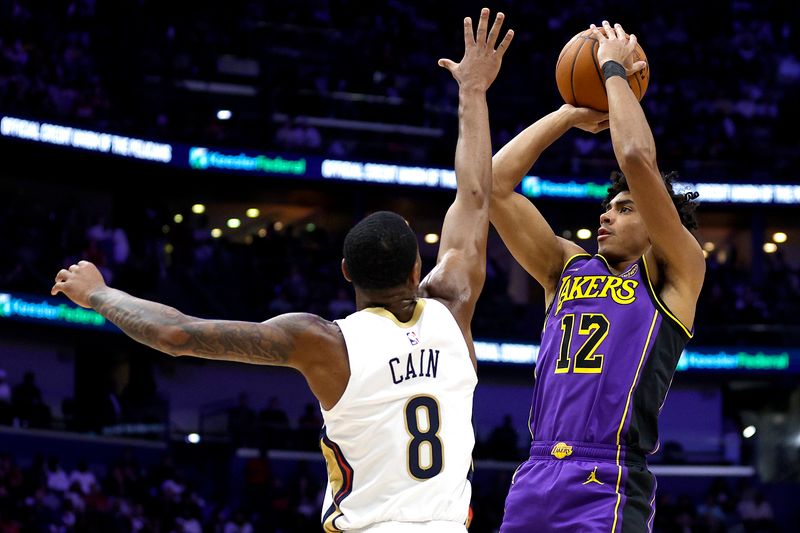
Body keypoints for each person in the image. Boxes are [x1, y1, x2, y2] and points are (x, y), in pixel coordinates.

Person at [51, 8, 514, 532]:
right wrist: (473, 91)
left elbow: (175, 334)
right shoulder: (454, 306)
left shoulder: (321, 342)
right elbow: (474, 198)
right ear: (417, 268)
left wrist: (99, 294)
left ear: (345, 272)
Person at [490, 21, 705, 532]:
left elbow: (635, 157)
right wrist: (566, 115)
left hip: (607, 478)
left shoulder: (676, 272)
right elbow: (492, 185)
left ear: (656, 226)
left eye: (625, 208)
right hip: (535, 471)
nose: (605, 216)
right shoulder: (565, 268)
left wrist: (612, 72)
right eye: (606, 208)